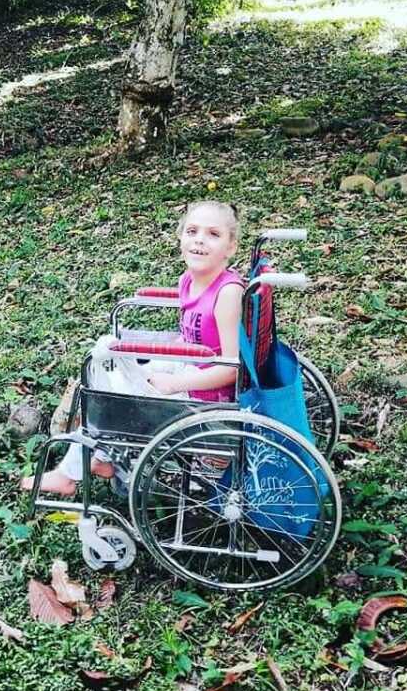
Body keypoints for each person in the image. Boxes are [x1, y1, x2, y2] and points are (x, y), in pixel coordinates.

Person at [21, 201, 244, 497]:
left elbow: (231, 368)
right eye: (192, 231)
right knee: (109, 379)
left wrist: (175, 381)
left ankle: (73, 472)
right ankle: (97, 459)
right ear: (180, 239)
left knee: (113, 398)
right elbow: (194, 338)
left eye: (213, 234)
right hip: (188, 369)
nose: (200, 239)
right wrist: (160, 362)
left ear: (231, 247)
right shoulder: (189, 281)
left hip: (204, 397)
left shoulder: (228, 293)